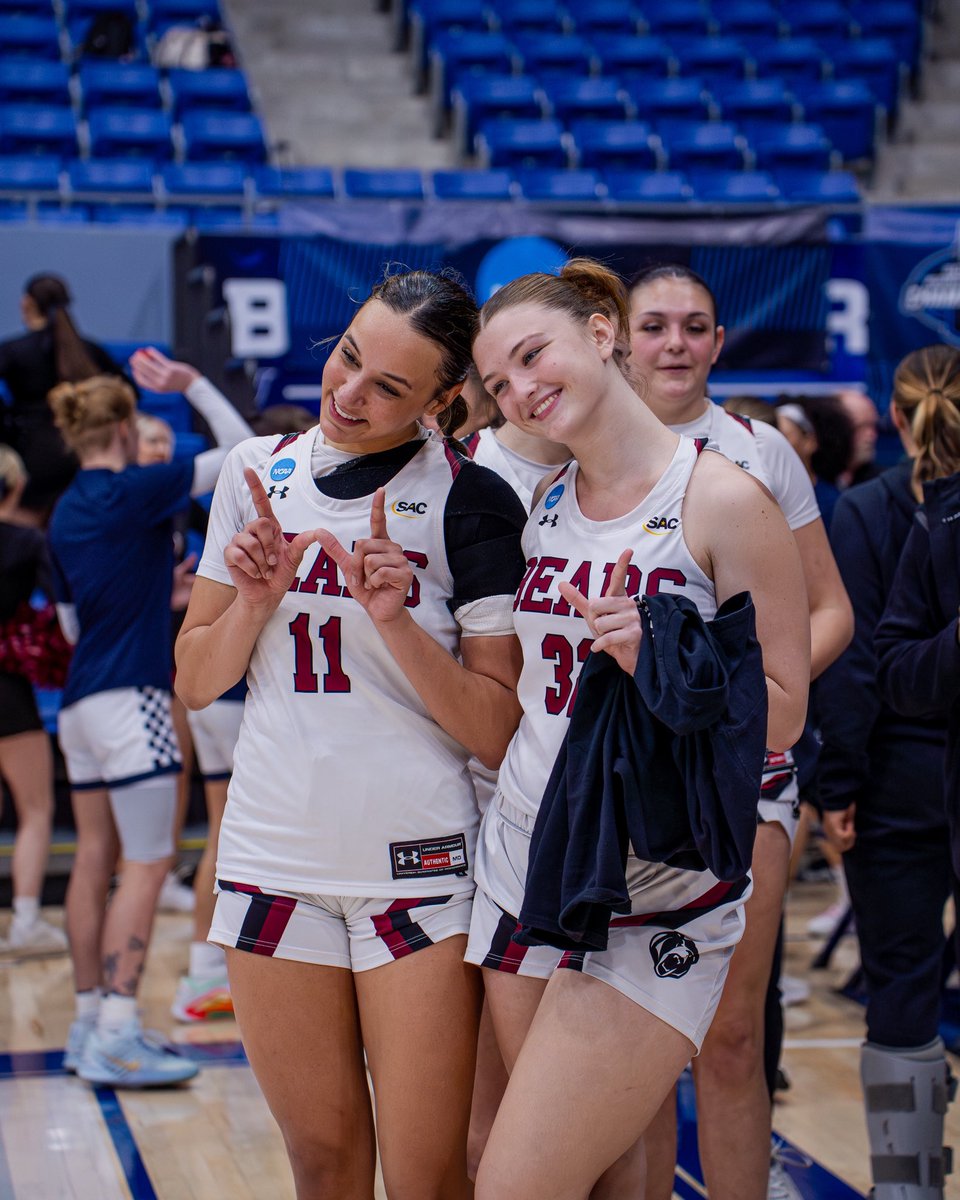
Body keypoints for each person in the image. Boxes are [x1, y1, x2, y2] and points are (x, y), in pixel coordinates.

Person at [174, 268, 528, 1199]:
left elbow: (497, 728)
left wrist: (399, 620)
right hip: (272, 856)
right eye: (348, 358)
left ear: (445, 400)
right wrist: (253, 605)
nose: (348, 393)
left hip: (414, 873)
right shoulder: (254, 473)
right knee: (323, 1165)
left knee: (425, 1177)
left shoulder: (474, 500)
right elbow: (197, 680)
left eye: (388, 389)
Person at [465, 258, 810, 1200]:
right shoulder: (541, 508)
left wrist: (662, 654)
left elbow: (783, 707)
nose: (523, 390)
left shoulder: (727, 498)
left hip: (656, 892)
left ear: (602, 335)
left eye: (534, 355)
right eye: (500, 382)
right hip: (526, 868)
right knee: (602, 1174)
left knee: (515, 1185)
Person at [626, 263, 853, 1200]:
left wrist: (752, 703)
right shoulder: (572, 451)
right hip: (620, 777)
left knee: (729, 1029)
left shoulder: (762, 452)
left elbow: (829, 610)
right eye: (654, 326)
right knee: (630, 1041)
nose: (675, 343)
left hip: (743, 773)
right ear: (617, 340)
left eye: (694, 326)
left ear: (720, 343)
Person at [47, 367, 250, 1089]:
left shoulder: (67, 511)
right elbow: (239, 448)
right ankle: (119, 1031)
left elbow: (73, 622)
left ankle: (86, 1021)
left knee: (93, 857)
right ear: (126, 431)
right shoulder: (135, 488)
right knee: (148, 860)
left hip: (78, 706)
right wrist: (192, 384)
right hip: (133, 699)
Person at [853, 346, 960, 1200]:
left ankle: (907, 1188)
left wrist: (836, 788)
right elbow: (874, 663)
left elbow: (856, 665)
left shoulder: (865, 509)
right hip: (899, 768)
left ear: (894, 417)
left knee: (900, 980)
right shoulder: (908, 518)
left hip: (886, 776)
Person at [0, 445, 69, 958]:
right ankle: (25, 920)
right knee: (36, 806)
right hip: (6, 687)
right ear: (16, 486)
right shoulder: (25, 540)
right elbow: (64, 609)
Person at [0, 274, 129, 523]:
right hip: (81, 454)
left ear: (27, 303)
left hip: (32, 457)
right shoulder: (88, 348)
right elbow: (127, 390)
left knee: (28, 537)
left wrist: (6, 423)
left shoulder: (14, 350)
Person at [774, 395, 854, 531]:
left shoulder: (834, 504)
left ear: (809, 441)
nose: (773, 443)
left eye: (783, 436)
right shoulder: (768, 497)